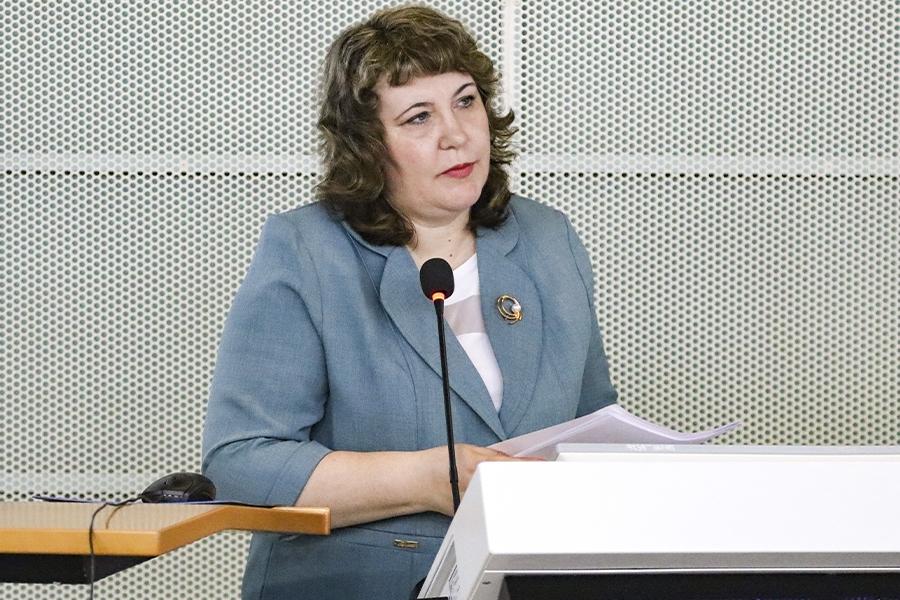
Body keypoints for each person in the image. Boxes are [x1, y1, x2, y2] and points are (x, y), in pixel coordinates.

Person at [201, 5, 617, 600]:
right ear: (369, 146)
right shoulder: (307, 250)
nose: (457, 134)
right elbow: (241, 464)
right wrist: (426, 479)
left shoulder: (549, 239)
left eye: (466, 101)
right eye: (419, 117)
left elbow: (592, 429)